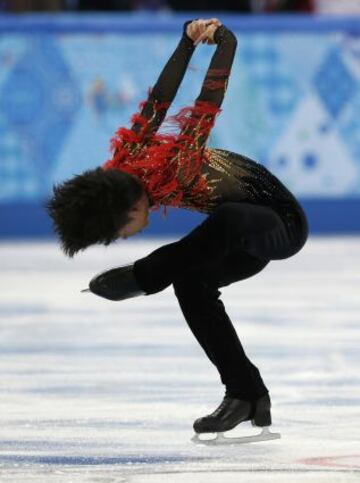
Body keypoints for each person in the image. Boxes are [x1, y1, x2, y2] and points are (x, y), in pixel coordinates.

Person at [46, 18, 308, 441]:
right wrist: (185, 43)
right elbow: (159, 98)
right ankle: (245, 393)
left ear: (131, 206)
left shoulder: (180, 164)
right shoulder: (125, 160)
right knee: (191, 284)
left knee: (226, 219)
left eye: (119, 230)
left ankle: (149, 273)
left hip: (279, 225)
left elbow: (208, 97)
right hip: (236, 240)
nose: (124, 236)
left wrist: (221, 41)